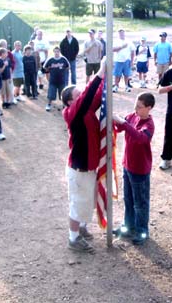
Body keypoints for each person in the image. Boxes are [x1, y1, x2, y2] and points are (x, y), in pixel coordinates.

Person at [61, 57, 106, 253]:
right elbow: (89, 95)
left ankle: (81, 228)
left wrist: (105, 75)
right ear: (71, 101)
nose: (82, 97)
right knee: (77, 203)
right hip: (79, 167)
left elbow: (95, 96)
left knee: (86, 199)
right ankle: (73, 239)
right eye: (77, 95)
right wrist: (100, 71)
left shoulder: (84, 110)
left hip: (88, 165)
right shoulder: (72, 112)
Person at [113, 92, 156, 245]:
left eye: (139, 107)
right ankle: (128, 226)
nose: (136, 109)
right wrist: (114, 120)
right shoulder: (132, 116)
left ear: (148, 108)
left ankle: (142, 231)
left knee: (140, 203)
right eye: (135, 105)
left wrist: (124, 124)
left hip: (140, 170)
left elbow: (141, 138)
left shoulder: (148, 124)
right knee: (129, 199)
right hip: (127, 165)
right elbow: (120, 128)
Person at [44, 46, 70, 111]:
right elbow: (45, 67)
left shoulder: (63, 59)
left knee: (63, 94)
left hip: (62, 80)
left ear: (59, 52)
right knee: (51, 94)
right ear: (53, 52)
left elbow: (68, 67)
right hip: (53, 80)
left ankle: (64, 105)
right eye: (55, 51)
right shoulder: (50, 60)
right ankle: (48, 105)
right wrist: (49, 74)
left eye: (58, 51)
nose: (56, 53)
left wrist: (63, 73)